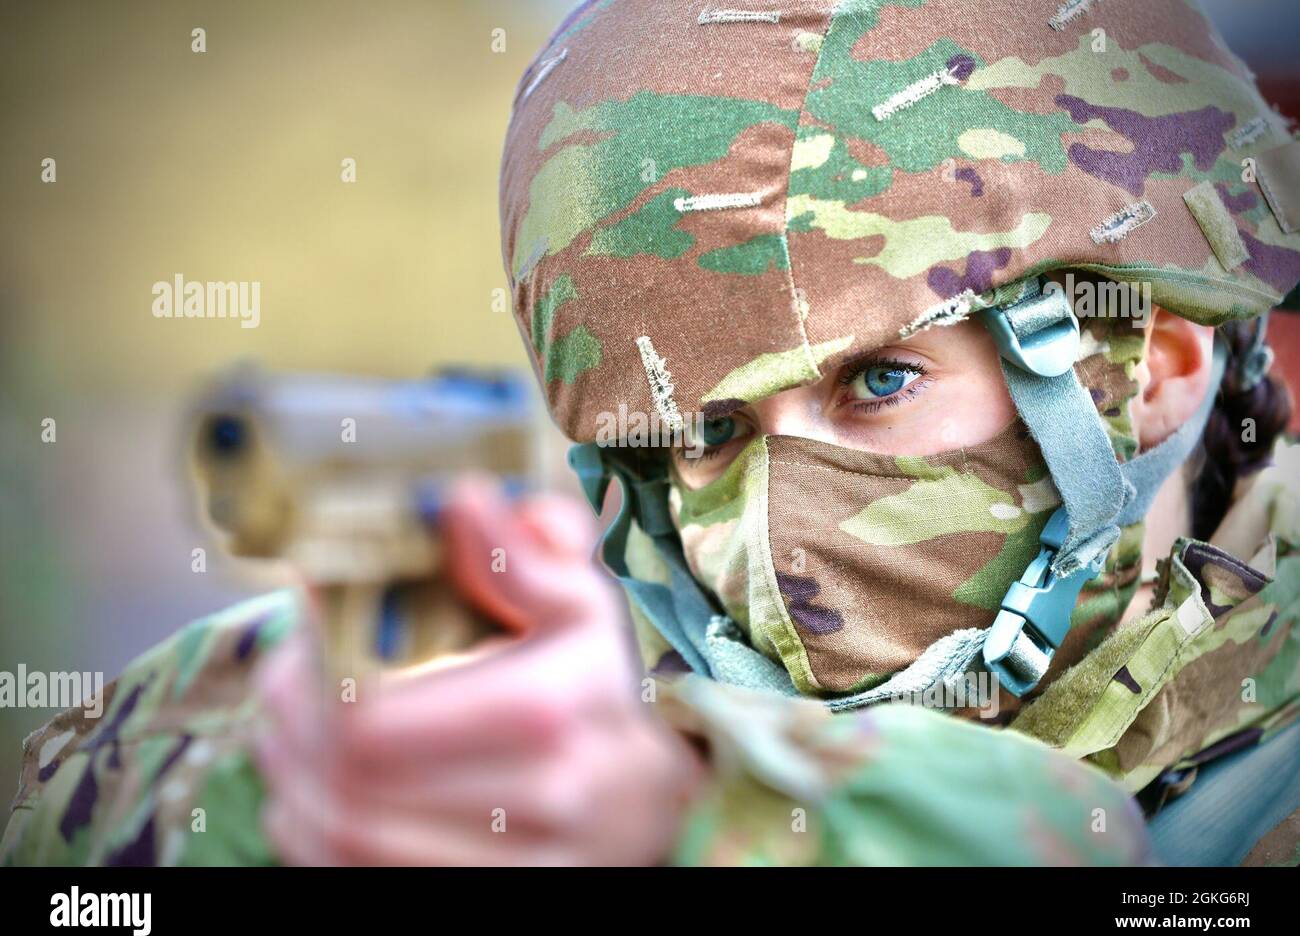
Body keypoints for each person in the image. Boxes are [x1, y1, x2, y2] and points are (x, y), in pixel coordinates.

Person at [5, 0, 1300, 866]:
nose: (774, 546)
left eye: (880, 385)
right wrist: (281, 777)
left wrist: (688, 812)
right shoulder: (567, 687)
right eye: (706, 432)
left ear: (1153, 371)